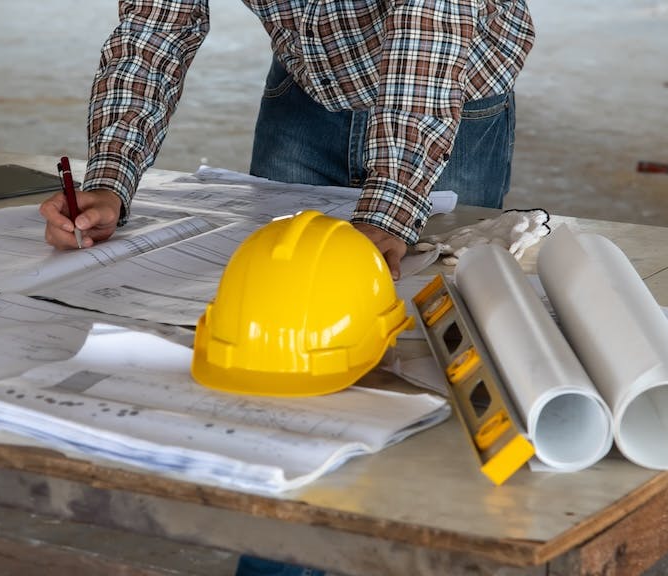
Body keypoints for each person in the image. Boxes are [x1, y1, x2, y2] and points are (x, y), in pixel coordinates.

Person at [41, 1, 534, 573]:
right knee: (279, 343)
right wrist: (110, 176)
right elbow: (158, 21)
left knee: (419, 356)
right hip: (312, 84)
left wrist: (393, 204)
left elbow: (432, 22)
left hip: (449, 89)